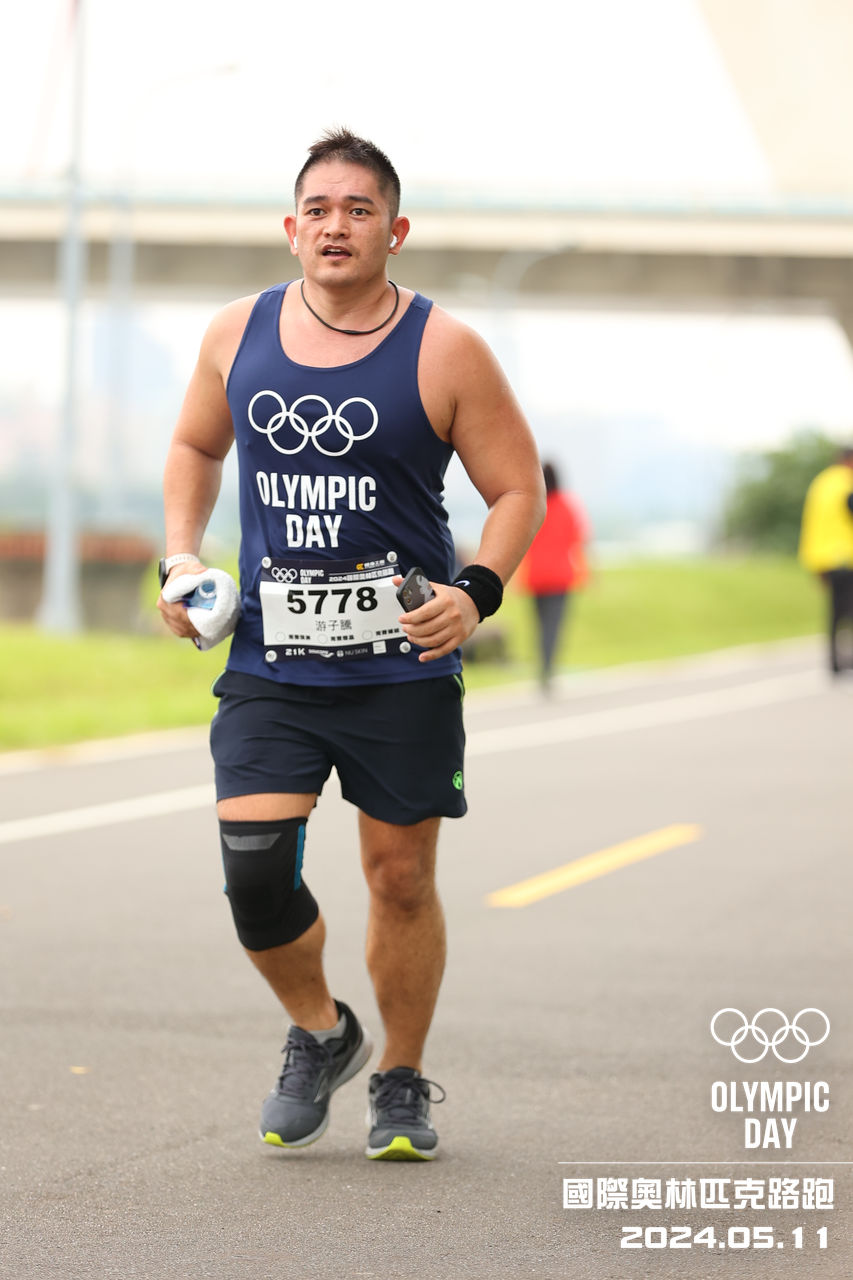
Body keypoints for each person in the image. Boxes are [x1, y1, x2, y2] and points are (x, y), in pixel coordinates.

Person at [157, 128, 545, 1161]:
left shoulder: (446, 349)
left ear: (394, 231)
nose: (337, 226)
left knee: (398, 877)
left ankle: (401, 1077)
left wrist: (475, 593)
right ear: (291, 229)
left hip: (401, 665)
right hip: (271, 660)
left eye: (359, 210)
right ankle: (323, 1030)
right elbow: (195, 443)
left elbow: (517, 488)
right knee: (253, 874)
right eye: (319, 210)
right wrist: (178, 557)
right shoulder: (237, 333)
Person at [518, 460, 589, 691]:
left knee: (539, 626)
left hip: (536, 576)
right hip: (560, 576)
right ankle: (547, 671)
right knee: (553, 626)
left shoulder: (533, 505)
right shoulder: (567, 507)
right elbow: (579, 540)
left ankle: (543, 668)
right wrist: (584, 572)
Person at [798, 445, 853, 674]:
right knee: (847, 610)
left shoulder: (821, 483)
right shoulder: (846, 483)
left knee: (836, 611)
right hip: (845, 557)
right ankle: (843, 659)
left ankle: (835, 662)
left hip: (822, 558)